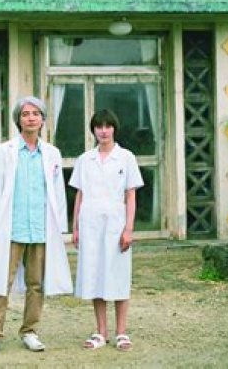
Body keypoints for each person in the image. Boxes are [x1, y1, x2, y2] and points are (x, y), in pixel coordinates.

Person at [0, 96, 72, 357]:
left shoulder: (51, 153)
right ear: (18, 120)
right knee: (1, 281)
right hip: (11, 227)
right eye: (25, 114)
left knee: (36, 283)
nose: (30, 118)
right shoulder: (5, 152)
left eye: (35, 114)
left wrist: (59, 228)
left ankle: (30, 331)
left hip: (41, 228)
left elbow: (57, 193)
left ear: (42, 119)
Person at [69, 109, 144, 352]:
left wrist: (129, 229)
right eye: (99, 126)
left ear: (114, 129)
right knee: (95, 274)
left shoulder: (126, 157)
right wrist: (75, 227)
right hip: (90, 222)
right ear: (93, 130)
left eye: (108, 126)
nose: (103, 131)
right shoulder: (85, 159)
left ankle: (121, 332)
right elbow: (80, 194)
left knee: (118, 275)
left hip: (116, 222)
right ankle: (100, 332)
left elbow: (130, 195)